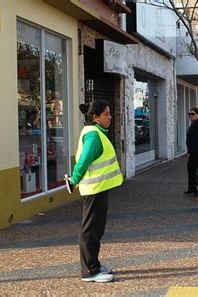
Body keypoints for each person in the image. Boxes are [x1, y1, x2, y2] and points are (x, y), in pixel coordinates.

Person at [64, 100, 123, 283]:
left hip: (99, 188)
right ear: (96, 117)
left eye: (109, 113)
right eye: (106, 114)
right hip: (94, 190)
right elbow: (83, 161)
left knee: (96, 229)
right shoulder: (93, 135)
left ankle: (94, 264)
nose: (110, 117)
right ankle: (90, 271)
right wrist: (74, 180)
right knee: (90, 230)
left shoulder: (96, 132)